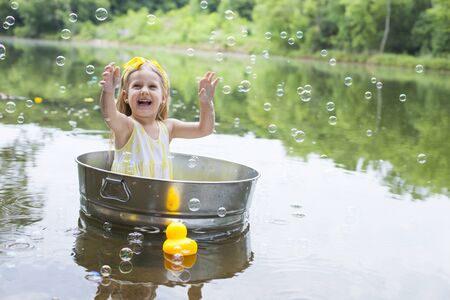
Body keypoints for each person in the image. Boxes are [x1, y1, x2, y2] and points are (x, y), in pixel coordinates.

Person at [100, 56, 219, 179]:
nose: (144, 91)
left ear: (163, 98)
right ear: (125, 96)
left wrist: (206, 103)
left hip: (159, 195)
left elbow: (205, 129)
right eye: (137, 86)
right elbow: (110, 115)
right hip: (128, 196)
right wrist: (108, 91)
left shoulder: (168, 128)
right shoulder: (127, 127)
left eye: (152, 87)